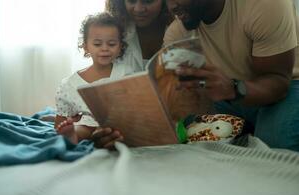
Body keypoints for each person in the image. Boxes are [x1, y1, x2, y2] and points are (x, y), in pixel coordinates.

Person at [164, 0, 299, 151]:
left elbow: (279, 82)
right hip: (228, 96)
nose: (171, 6)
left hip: (286, 88)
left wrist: (233, 89)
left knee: (275, 150)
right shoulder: (177, 33)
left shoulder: (264, 4)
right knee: (188, 139)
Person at [54, 12, 127, 148]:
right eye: (97, 44)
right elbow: (60, 120)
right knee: (83, 127)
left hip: (122, 123)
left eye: (111, 44)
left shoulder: (126, 72)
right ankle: (72, 136)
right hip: (90, 124)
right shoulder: (71, 84)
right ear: (86, 46)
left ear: (120, 47)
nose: (104, 48)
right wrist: (65, 127)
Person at [105, 0, 172, 70]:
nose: (138, 9)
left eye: (148, 1)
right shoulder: (113, 34)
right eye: (131, 1)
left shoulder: (180, 30)